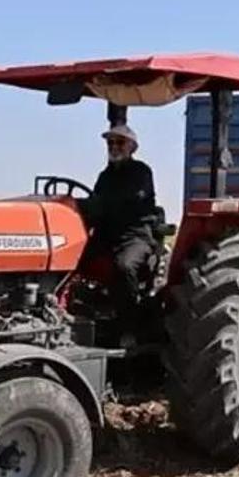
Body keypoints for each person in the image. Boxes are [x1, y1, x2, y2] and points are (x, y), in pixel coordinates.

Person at [81, 124, 158, 326]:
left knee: (123, 266)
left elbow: (130, 200)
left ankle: (132, 323)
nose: (114, 146)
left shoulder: (141, 172)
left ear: (132, 147)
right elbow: (96, 204)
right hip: (107, 235)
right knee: (75, 261)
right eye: (110, 142)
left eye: (120, 142)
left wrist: (98, 206)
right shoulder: (104, 176)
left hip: (135, 235)